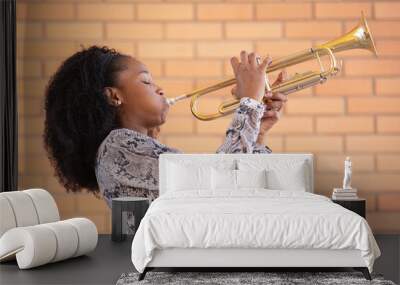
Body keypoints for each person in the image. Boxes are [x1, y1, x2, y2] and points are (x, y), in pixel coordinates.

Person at [44, 46, 288, 209]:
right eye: (146, 81)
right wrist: (249, 103)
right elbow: (222, 183)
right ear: (114, 96)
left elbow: (238, 187)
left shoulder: (127, 148)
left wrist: (258, 131)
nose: (159, 89)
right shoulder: (118, 146)